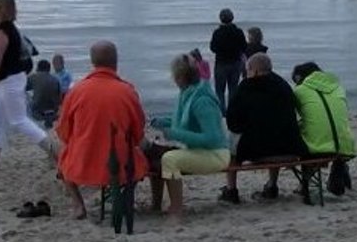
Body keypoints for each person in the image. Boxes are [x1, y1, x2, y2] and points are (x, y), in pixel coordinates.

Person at [55, 41, 148, 220]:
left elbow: (64, 132)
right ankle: (120, 198)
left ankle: (78, 205)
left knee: (63, 160)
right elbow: (138, 131)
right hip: (119, 165)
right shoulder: (127, 91)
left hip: (83, 161)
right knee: (137, 160)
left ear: (92, 62)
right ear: (116, 61)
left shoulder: (76, 91)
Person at [0, 0, 56, 171]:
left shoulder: (1, 33)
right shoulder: (8, 28)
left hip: (8, 81)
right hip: (7, 81)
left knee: (19, 120)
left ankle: (55, 150)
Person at [148, 53, 230, 218]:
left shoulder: (202, 101)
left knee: (170, 159)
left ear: (180, 77)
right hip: (200, 150)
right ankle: (156, 204)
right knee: (155, 155)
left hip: (216, 154)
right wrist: (164, 122)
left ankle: (176, 208)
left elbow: (212, 138)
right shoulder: (188, 94)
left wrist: (175, 134)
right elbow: (184, 120)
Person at [221, 53, 307, 204]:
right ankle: (272, 185)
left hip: (257, 150)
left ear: (253, 71)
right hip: (289, 147)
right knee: (277, 130)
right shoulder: (283, 85)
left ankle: (231, 189)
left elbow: (232, 122)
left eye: (247, 70)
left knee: (232, 138)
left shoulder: (245, 87)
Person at [292, 62, 356, 196]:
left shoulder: (300, 91)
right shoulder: (338, 88)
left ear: (299, 78)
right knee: (323, 128)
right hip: (346, 145)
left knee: (308, 135)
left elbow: (291, 118)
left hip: (317, 147)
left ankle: (305, 183)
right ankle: (340, 165)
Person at [210, 8, 247, 115]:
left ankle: (222, 112)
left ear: (221, 19)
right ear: (232, 18)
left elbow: (213, 48)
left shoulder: (217, 33)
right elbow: (244, 47)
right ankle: (232, 111)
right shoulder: (238, 32)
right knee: (233, 88)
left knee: (220, 90)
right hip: (236, 63)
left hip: (221, 63)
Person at [26, 59, 61, 127]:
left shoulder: (34, 76)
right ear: (49, 69)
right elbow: (59, 98)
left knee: (25, 95)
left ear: (38, 68)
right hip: (54, 110)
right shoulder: (55, 79)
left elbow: (23, 87)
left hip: (37, 110)